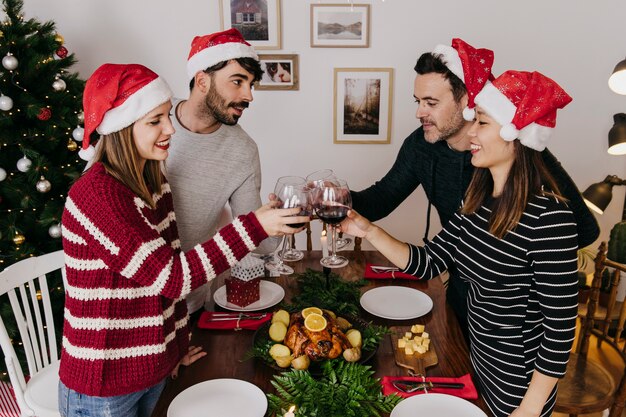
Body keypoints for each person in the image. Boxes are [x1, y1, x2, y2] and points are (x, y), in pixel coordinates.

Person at [58, 63, 308, 417]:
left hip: (151, 370)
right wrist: (254, 226)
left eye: (166, 117)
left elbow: (161, 285)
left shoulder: (150, 182)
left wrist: (172, 351)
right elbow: (173, 278)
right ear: (121, 127)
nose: (170, 129)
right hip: (104, 386)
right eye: (155, 120)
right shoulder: (98, 195)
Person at [341, 70, 578, 417]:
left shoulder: (550, 217)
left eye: (481, 123)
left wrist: (529, 409)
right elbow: (428, 263)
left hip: (518, 389)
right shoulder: (476, 201)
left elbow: (559, 329)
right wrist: (367, 229)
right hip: (477, 364)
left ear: (514, 136)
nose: (473, 134)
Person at [350, 38, 599, 337]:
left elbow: (582, 230)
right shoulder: (422, 147)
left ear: (467, 101)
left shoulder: (520, 152)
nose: (419, 113)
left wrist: (511, 279)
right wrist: (337, 199)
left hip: (515, 323)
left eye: (431, 103)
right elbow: (381, 200)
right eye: (418, 102)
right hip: (461, 297)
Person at [166, 28, 280, 314]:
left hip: (188, 306)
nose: (249, 96)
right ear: (202, 80)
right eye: (238, 82)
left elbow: (257, 244)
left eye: (251, 84)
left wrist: (276, 220)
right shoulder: (151, 123)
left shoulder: (243, 150)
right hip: (130, 307)